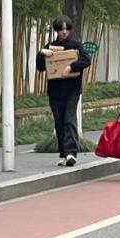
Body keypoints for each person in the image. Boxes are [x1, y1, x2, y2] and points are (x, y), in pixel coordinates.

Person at [36, 16, 92, 166]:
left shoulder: (76, 46)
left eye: (67, 29)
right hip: (55, 91)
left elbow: (86, 60)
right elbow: (40, 67)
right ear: (57, 30)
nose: (64, 32)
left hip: (72, 90)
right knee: (59, 122)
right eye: (61, 29)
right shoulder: (49, 46)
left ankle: (71, 153)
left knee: (69, 120)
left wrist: (71, 67)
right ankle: (63, 153)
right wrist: (42, 53)